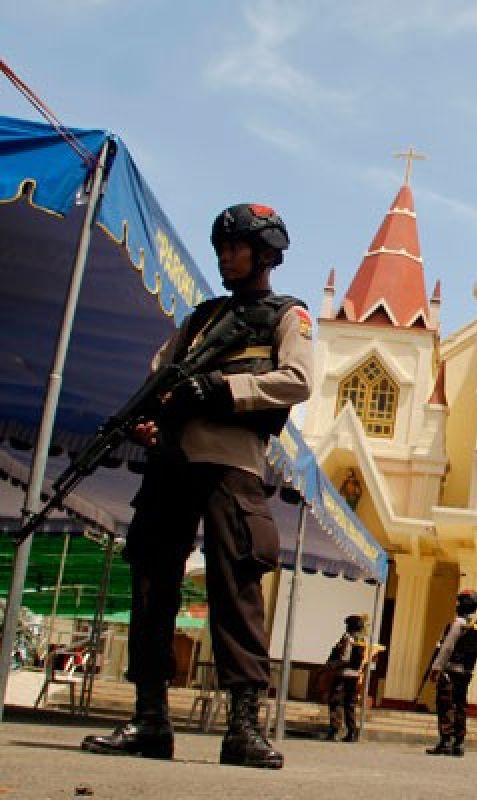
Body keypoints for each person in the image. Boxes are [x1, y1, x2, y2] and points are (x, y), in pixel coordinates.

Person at [81, 204, 312, 770]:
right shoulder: (202, 318)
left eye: (234, 247)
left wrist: (221, 391)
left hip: (231, 463)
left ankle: (243, 729)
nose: (224, 257)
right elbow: (159, 375)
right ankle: (150, 719)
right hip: (173, 462)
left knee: (236, 589)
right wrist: (148, 419)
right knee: (152, 585)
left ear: (264, 255)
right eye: (221, 248)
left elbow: (297, 380)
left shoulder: (287, 315)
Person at [426, 589, 477, 756]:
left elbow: (447, 648)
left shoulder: (459, 623)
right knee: (460, 706)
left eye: (459, 602)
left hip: (450, 671)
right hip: (465, 672)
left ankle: (445, 741)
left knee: (445, 705)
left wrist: (436, 668)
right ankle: (459, 743)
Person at [325, 614, 368, 742]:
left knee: (335, 702)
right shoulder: (361, 639)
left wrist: (330, 665)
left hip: (343, 675)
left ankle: (334, 731)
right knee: (350, 704)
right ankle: (352, 733)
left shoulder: (348, 638)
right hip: (355, 676)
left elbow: (344, 658)